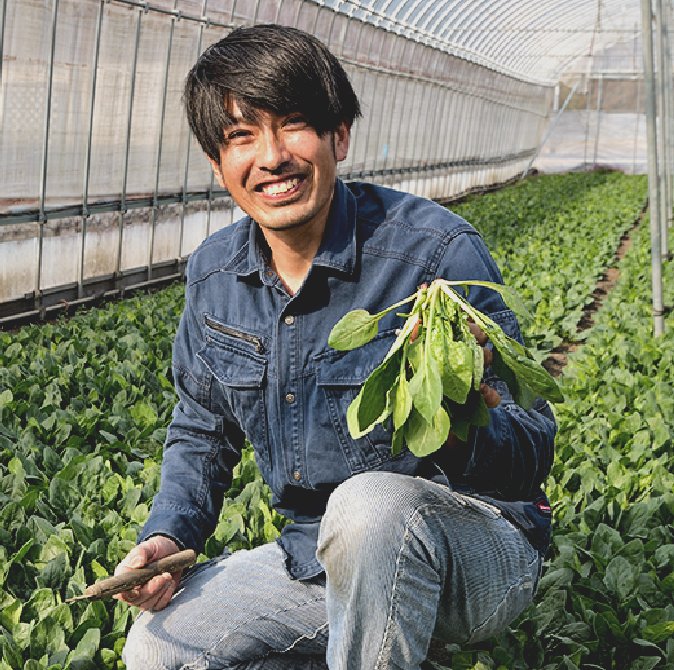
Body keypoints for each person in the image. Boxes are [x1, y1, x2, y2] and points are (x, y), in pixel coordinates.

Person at [112, 24, 557, 670]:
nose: (270, 156)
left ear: (338, 136)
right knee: (158, 650)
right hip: (317, 554)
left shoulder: (434, 255)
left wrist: (465, 422)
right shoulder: (213, 276)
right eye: (241, 135)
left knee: (368, 508)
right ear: (217, 165)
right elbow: (202, 429)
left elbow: (532, 449)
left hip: (477, 549)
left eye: (292, 124)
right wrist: (167, 534)